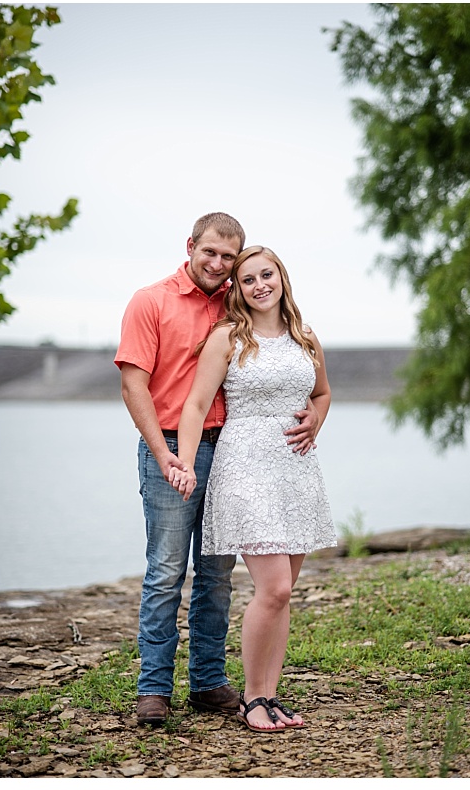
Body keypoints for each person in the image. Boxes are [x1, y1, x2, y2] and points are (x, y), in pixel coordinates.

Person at [114, 213, 321, 727]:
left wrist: (315, 413)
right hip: (172, 446)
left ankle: (208, 682)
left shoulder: (238, 306)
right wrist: (168, 457)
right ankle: (154, 689)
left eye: (230, 258)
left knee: (217, 576)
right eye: (211, 253)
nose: (219, 264)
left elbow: (310, 386)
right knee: (166, 572)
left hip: (230, 450)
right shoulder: (152, 301)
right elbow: (134, 387)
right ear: (190, 247)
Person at [173, 245, 334, 732]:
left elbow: (322, 393)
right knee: (275, 587)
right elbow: (196, 405)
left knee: (284, 595)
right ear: (237, 290)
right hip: (245, 466)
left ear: (282, 278)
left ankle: (269, 695)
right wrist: (183, 463)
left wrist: (316, 420)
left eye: (267, 275)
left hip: (296, 469)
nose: (259, 285)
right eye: (248, 280)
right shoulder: (228, 336)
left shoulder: (305, 336)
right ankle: (251, 700)